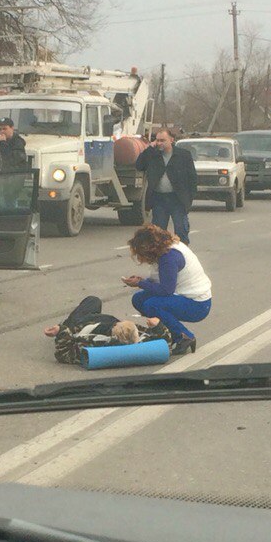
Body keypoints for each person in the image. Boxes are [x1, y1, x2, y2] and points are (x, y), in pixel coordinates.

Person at [123, 223, 212, 356]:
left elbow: (166, 290)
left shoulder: (169, 257)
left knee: (151, 305)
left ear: (150, 248)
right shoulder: (166, 248)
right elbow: (163, 281)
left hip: (197, 304)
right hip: (185, 296)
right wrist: (142, 281)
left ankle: (184, 336)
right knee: (138, 299)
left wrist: (140, 283)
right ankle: (166, 332)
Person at [44, 294, 175, 365]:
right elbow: (165, 345)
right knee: (94, 302)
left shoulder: (97, 343)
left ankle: (65, 323)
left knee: (93, 300)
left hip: (82, 324)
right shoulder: (141, 341)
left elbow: (64, 353)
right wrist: (158, 326)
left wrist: (61, 331)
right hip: (99, 321)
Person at [135, 127, 197, 243]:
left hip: (177, 198)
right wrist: (149, 148)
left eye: (163, 140)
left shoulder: (183, 155)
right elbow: (139, 165)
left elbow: (192, 178)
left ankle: (182, 251)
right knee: (158, 234)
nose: (159, 143)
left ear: (171, 140)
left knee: (181, 229)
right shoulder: (152, 155)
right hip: (159, 199)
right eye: (157, 140)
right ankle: (161, 253)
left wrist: (189, 198)